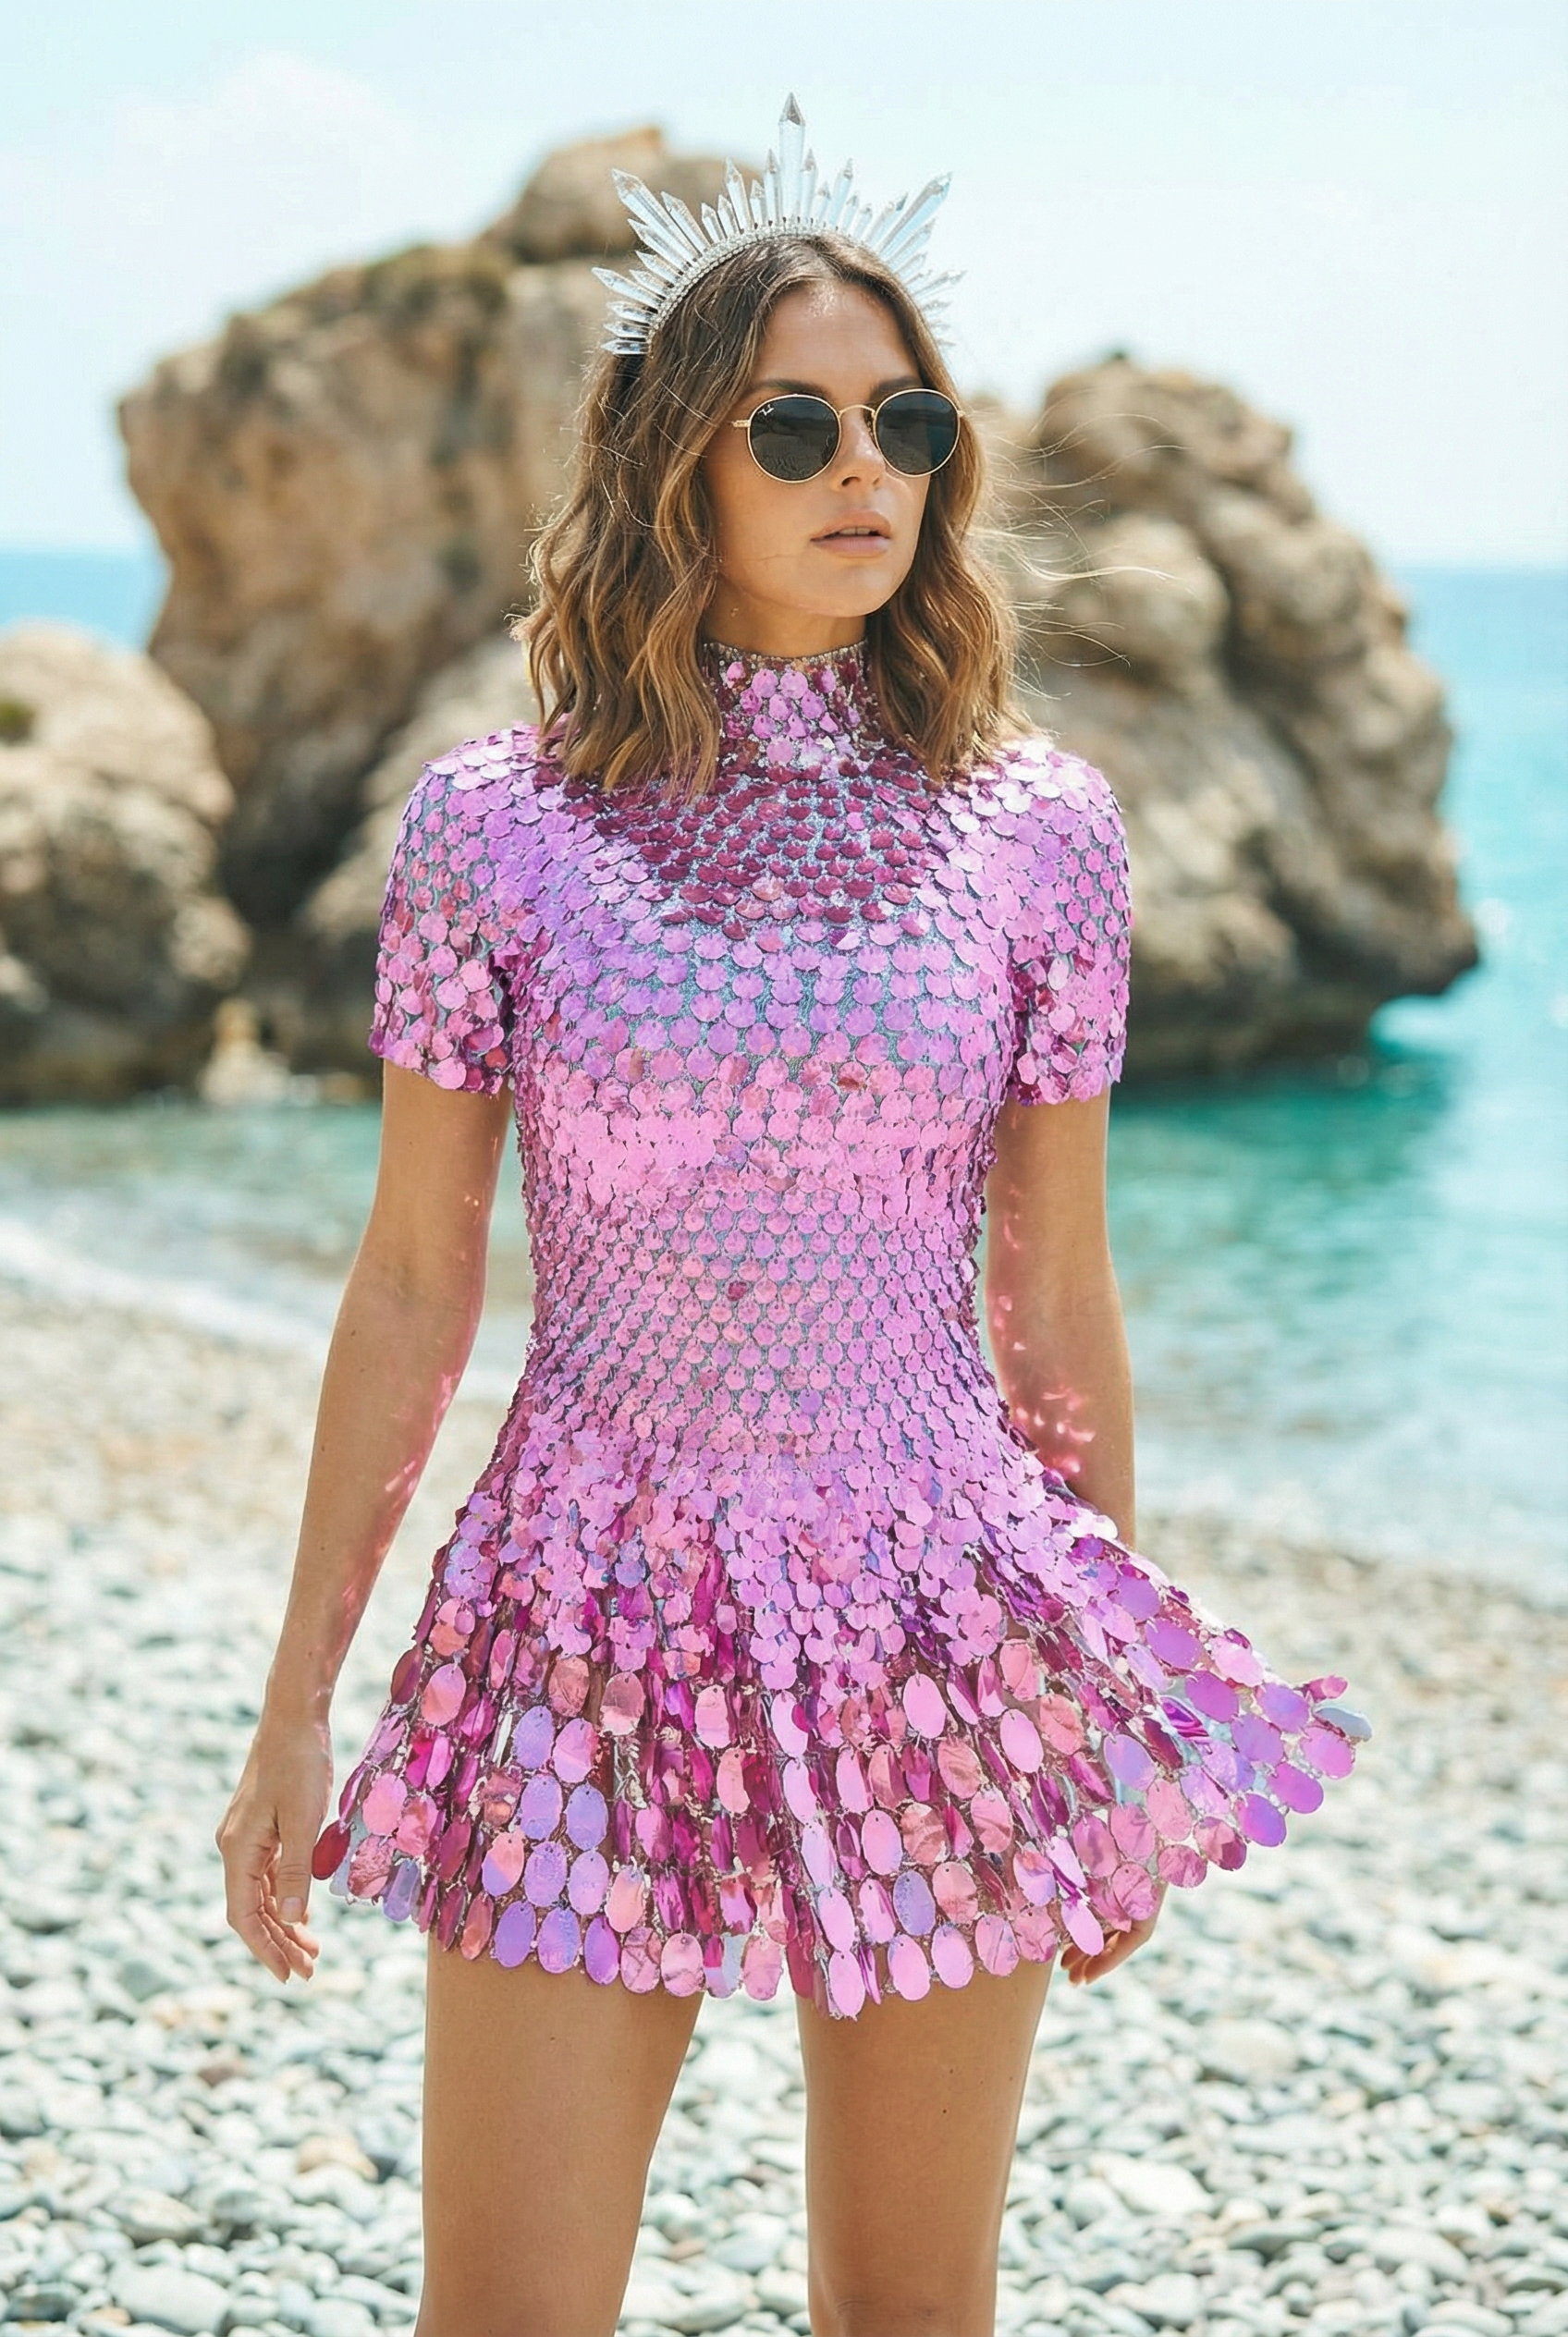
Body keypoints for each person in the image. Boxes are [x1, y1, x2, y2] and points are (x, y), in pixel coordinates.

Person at [218, 98, 1367, 2337]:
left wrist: (1097, 1717)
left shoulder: (1040, 831)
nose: (868, 464)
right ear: (678, 465)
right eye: (798, 424)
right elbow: (415, 1278)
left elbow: (1052, 1289)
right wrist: (296, 1703)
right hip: (579, 1614)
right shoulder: (498, 828)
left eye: (906, 419)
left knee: (912, 2311)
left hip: (937, 1612)